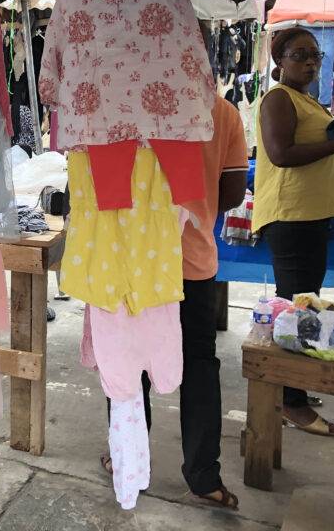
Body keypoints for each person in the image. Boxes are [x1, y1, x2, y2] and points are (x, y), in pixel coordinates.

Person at [102, 96, 248, 510]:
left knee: (126, 363)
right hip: (193, 261)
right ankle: (204, 476)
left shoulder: (125, 100)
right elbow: (234, 191)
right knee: (199, 362)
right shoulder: (221, 112)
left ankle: (125, 458)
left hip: (132, 260)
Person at [252, 27, 334, 436]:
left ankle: (294, 389)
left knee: (305, 304)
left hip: (309, 216)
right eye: (300, 55)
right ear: (280, 61)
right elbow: (280, 154)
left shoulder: (304, 99)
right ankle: (290, 402)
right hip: (291, 217)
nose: (310, 62)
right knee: (296, 310)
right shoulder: (278, 98)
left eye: (316, 56)